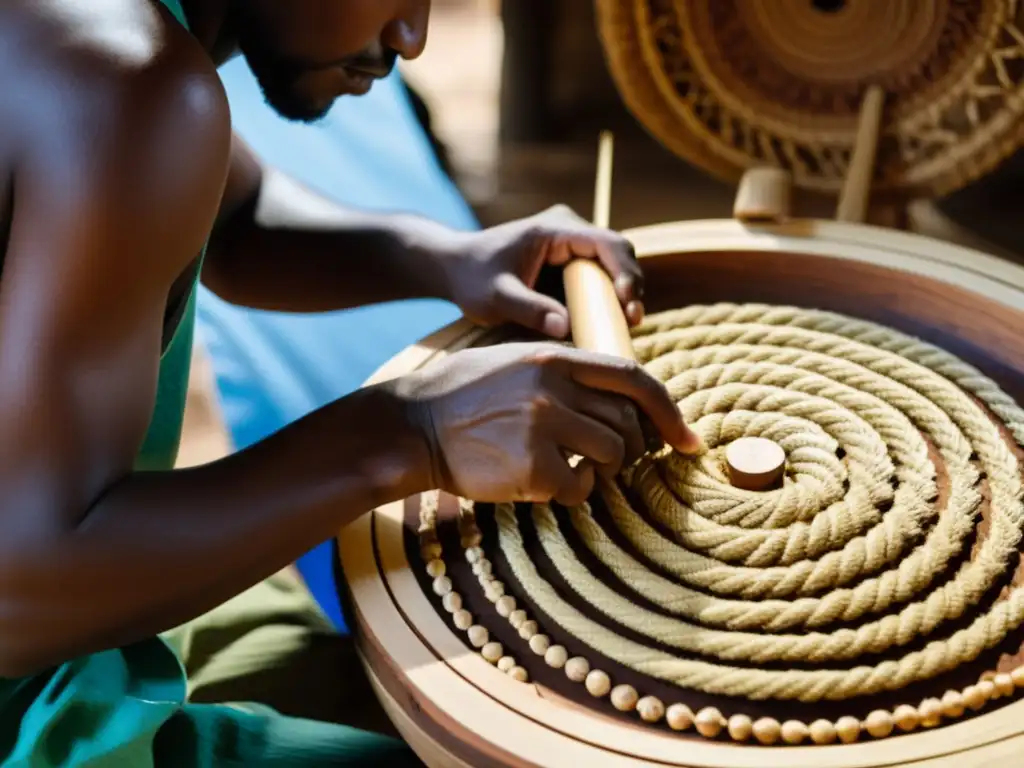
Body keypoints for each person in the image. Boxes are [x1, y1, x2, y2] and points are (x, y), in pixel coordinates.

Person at [0, 1, 703, 765]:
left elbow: (236, 219)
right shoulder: (131, 86)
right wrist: (411, 433)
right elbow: (18, 601)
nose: (412, 35)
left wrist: (443, 257)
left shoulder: (110, 45)